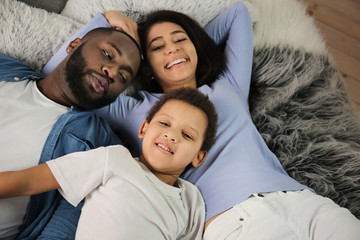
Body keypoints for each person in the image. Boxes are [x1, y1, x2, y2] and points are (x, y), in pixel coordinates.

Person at [44, 2, 360, 239]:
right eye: (158, 47)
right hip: (234, 224)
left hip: (300, 199)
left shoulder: (228, 86)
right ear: (146, 66)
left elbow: (238, 14)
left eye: (180, 40)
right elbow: (60, 74)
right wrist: (110, 22)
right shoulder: (136, 110)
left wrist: (183, 49)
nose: (173, 49)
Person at [0, 87, 218, 239]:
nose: (171, 136)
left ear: (198, 157)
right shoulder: (113, 159)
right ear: (144, 129)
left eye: (187, 135)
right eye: (164, 123)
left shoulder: (191, 200)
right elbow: (27, 181)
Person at [0, 15, 142, 239]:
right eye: (107, 54)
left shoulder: (100, 146)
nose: (113, 72)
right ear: (73, 45)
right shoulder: (5, 67)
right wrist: (106, 17)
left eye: (124, 76)